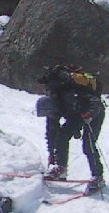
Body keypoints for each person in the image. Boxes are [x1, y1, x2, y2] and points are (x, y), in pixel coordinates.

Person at [36, 65, 105, 194]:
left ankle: (98, 177)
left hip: (93, 114)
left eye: (51, 114)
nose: (51, 117)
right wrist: (52, 154)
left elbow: (95, 102)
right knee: (61, 136)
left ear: (52, 108)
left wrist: (90, 114)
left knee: (88, 145)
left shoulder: (70, 95)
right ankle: (61, 168)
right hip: (77, 114)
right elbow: (51, 134)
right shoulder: (53, 110)